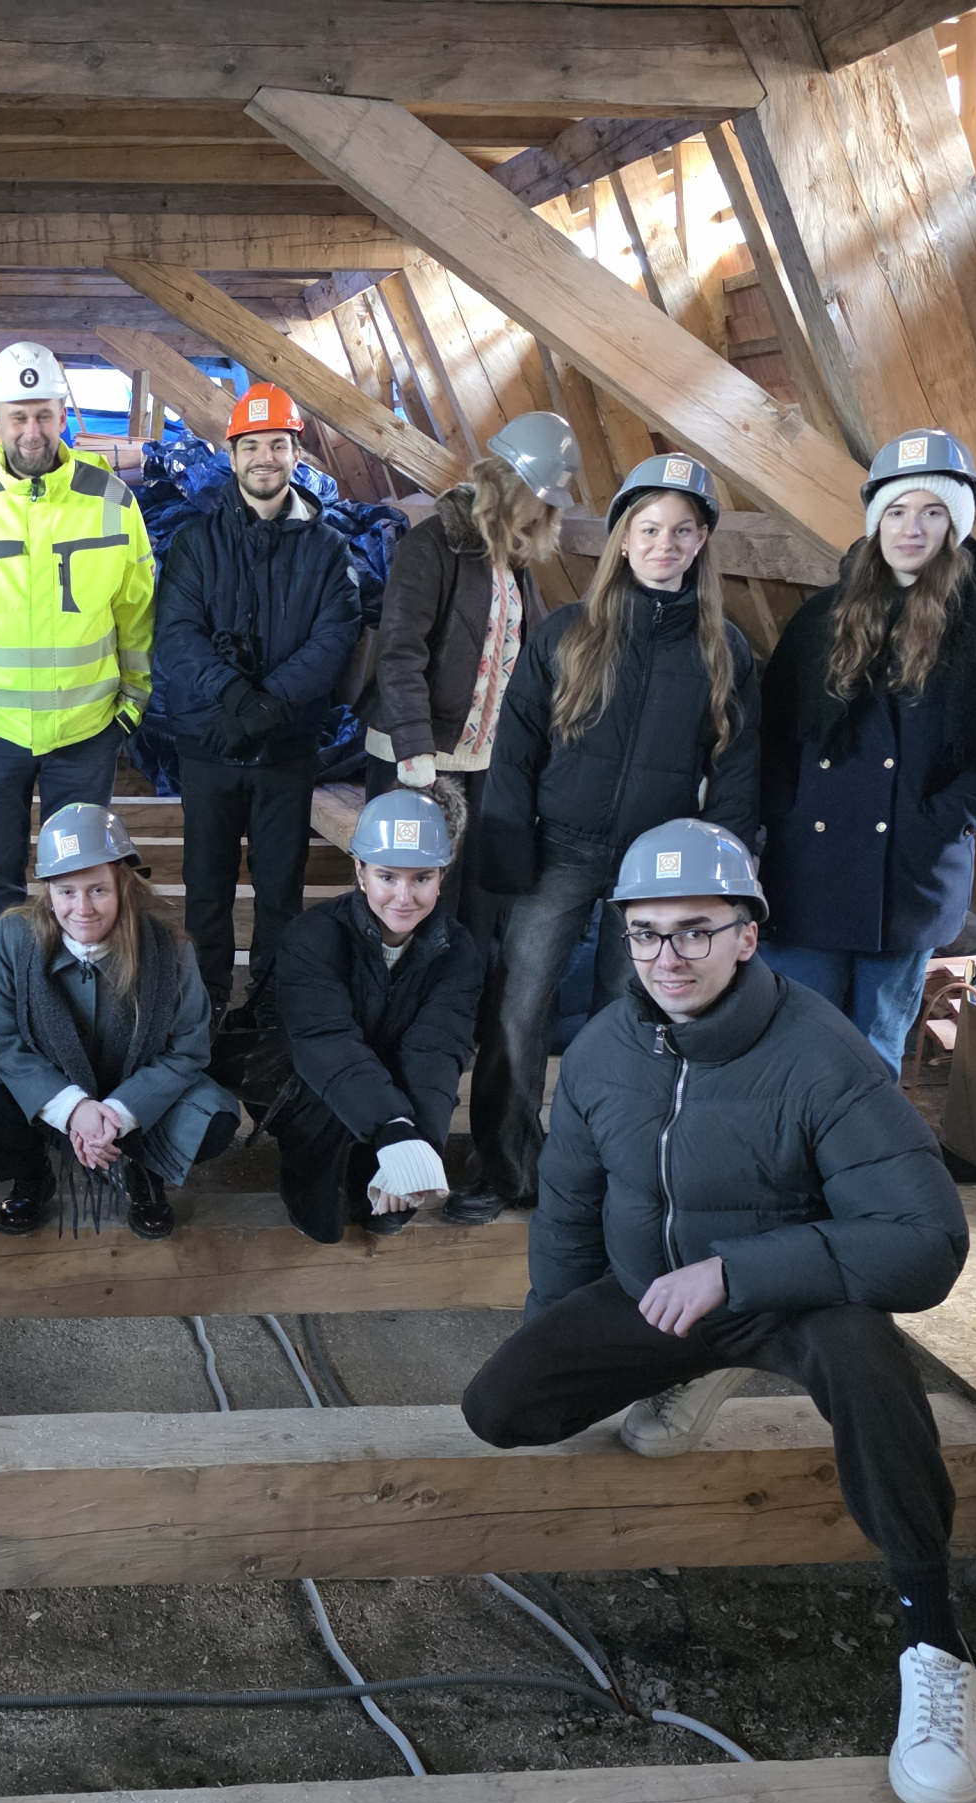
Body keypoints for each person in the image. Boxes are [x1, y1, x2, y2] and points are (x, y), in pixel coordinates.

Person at [460, 819, 976, 1803]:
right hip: (654, 1297)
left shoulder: (820, 1055)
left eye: (696, 930)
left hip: (785, 1301)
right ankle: (692, 1366)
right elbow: (567, 1213)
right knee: (500, 1407)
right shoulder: (605, 1052)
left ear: (747, 934)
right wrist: (554, 1333)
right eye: (646, 931)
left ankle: (937, 1646)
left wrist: (734, 1272)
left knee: (869, 1362)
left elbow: (927, 1240)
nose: (668, 956)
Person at [452, 452, 761, 1226]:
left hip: (655, 870)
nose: (664, 544)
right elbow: (516, 745)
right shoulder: (570, 632)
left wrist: (717, 872)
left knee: (629, 1019)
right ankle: (505, 1168)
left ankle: (602, 1170)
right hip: (560, 849)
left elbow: (737, 768)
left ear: (701, 543)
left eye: (682, 531)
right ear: (623, 537)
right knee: (519, 1004)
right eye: (649, 528)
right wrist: (507, 846)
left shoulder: (722, 649)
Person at [759, 430, 976, 1073]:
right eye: (896, 511)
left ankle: (863, 1143)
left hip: (908, 874)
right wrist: (784, 818)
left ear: (956, 523)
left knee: (874, 1054)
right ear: (876, 521)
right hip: (810, 866)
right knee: (795, 1046)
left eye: (932, 511)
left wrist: (935, 821)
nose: (911, 528)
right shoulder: (822, 616)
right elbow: (772, 739)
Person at [0, 342, 156, 950]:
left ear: (62, 416)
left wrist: (130, 708)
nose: (32, 430)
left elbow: (138, 613)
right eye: (18, 416)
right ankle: (7, 1001)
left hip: (87, 732)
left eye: (44, 414)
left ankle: (71, 995)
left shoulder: (112, 501)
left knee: (80, 882)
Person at [152, 383, 362, 1021]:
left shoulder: (328, 549)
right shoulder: (196, 542)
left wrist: (268, 706)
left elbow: (335, 636)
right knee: (206, 890)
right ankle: (207, 1008)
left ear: (296, 452)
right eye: (251, 446)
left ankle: (270, 1012)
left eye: (277, 444)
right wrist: (236, 697)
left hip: (284, 751)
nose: (264, 457)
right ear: (233, 454)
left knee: (280, 891)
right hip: (210, 743)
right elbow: (176, 633)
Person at [0, 802, 238, 1240]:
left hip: (134, 1086)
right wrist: (73, 1108)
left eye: (98, 890)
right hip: (49, 1083)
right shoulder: (14, 937)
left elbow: (187, 1049)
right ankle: (31, 1173)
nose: (82, 908)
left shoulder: (170, 948)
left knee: (214, 1121)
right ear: (48, 892)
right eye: (66, 891)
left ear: (123, 885)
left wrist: (119, 1114)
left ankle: (145, 1170)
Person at [269, 788, 487, 1243]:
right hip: (317, 1082)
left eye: (421, 878)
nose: (404, 897)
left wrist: (421, 1145)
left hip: (399, 1086)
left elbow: (438, 1048)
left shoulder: (459, 950)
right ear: (360, 871)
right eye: (388, 876)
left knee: (390, 1203)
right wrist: (393, 1130)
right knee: (322, 1214)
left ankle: (379, 1165)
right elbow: (324, 1039)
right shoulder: (313, 935)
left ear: (442, 876)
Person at [367, 411, 576, 860]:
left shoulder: (512, 561)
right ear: (515, 489)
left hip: (481, 758)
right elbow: (400, 652)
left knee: (467, 888)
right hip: (418, 754)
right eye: (544, 504)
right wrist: (414, 750)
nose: (546, 517)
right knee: (412, 881)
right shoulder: (431, 545)